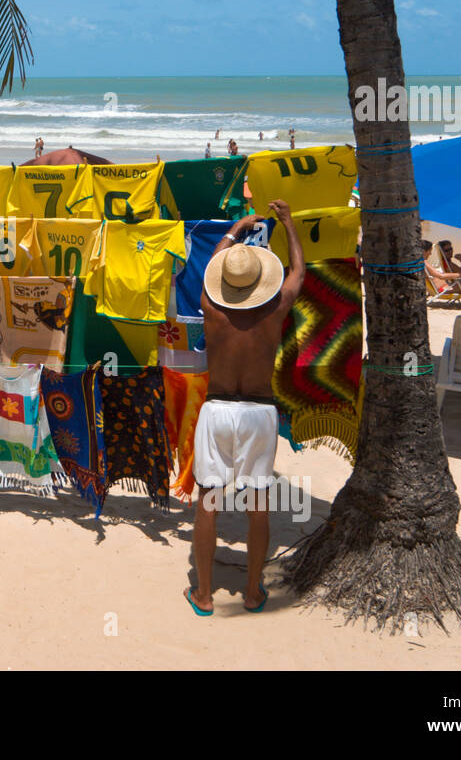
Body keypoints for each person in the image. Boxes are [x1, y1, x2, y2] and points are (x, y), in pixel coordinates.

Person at [186, 200, 303, 617]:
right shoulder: (274, 312)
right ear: (259, 281)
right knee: (258, 504)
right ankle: (253, 593)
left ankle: (202, 594)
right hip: (258, 412)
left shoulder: (212, 309)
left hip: (217, 410)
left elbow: (210, 267)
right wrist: (287, 224)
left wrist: (235, 228)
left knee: (208, 501)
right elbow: (297, 274)